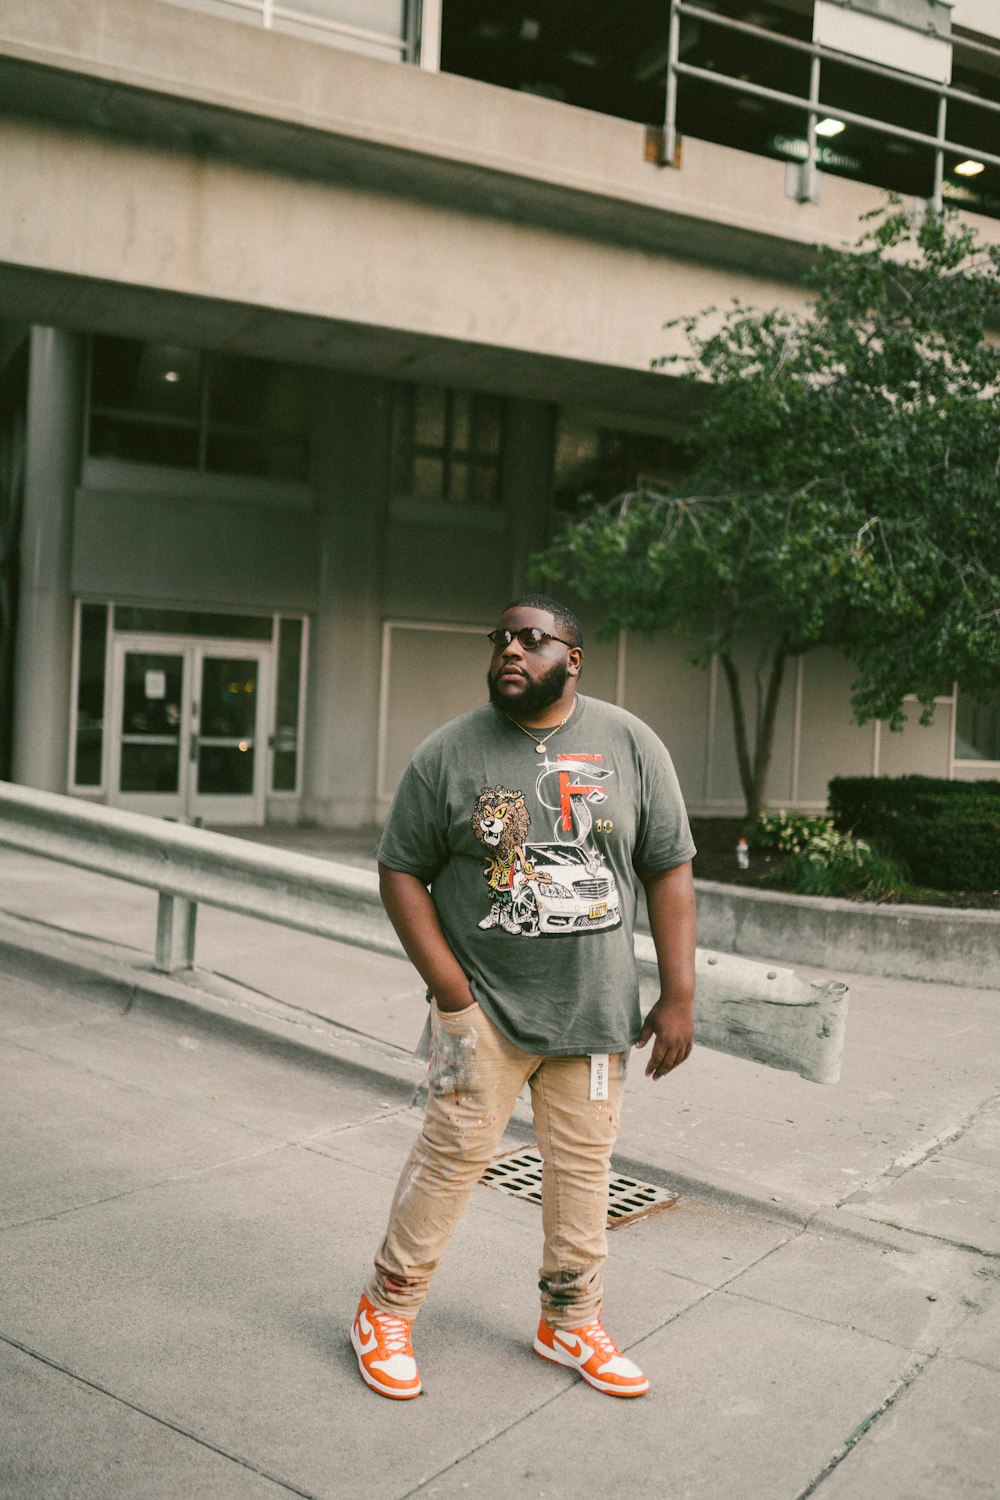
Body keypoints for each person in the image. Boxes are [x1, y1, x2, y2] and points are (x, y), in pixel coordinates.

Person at [351, 593, 696, 1400]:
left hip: (596, 1012)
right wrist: (451, 993)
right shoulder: (449, 753)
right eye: (501, 637)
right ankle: (385, 1312)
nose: (511, 649)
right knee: (450, 1161)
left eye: (532, 639)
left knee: (583, 1174)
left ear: (572, 658)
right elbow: (400, 868)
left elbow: (668, 866)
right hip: (488, 1016)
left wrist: (679, 993)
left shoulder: (630, 744)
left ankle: (570, 1322)